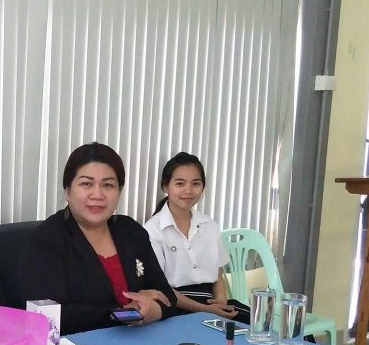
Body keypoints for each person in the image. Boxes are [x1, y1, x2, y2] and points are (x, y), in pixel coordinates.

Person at [19, 142, 180, 335]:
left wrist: (156, 310)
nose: (97, 194)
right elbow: (53, 317)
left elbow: (167, 296)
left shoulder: (131, 231)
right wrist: (125, 311)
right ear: (67, 191)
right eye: (86, 184)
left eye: (108, 185)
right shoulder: (48, 238)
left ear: (119, 191)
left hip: (137, 340)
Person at [143, 152, 249, 323]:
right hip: (174, 304)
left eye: (196, 183)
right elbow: (160, 287)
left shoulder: (209, 225)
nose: (188, 190)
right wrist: (206, 310)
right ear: (166, 186)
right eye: (180, 183)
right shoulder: (152, 230)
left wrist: (221, 300)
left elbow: (218, 273)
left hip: (210, 302)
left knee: (256, 324)